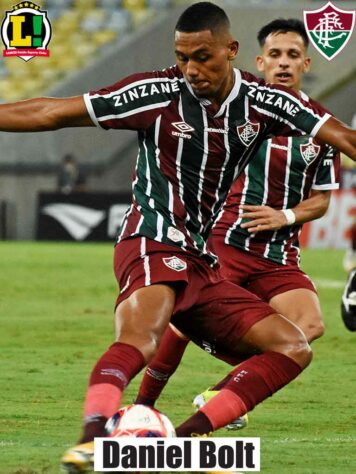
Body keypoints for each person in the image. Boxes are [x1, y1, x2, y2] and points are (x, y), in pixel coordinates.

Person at [1, 3, 356, 472]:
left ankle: (181, 442)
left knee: (292, 345)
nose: (191, 69)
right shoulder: (157, 92)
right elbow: (51, 112)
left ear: (231, 51)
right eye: (182, 56)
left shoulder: (267, 100)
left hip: (200, 258)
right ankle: (92, 439)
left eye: (203, 57)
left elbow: (345, 139)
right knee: (142, 336)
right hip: (150, 238)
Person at [134, 17, 340, 426]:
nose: (284, 63)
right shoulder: (237, 109)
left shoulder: (320, 128)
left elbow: (320, 200)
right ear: (259, 62)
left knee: (309, 326)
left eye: (293, 55)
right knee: (185, 321)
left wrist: (285, 215)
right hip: (225, 240)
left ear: (307, 64)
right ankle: (143, 405)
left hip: (279, 255)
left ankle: (221, 394)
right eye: (275, 55)